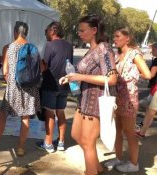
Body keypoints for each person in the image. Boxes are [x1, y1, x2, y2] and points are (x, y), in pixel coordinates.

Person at [59, 14, 117, 174]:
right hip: (84, 101)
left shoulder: (104, 49)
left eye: (82, 30)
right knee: (77, 135)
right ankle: (97, 167)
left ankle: (90, 171)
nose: (79, 33)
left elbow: (112, 79)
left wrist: (80, 77)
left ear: (94, 30)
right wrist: (71, 77)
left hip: (96, 104)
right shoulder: (91, 49)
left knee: (87, 142)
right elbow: (83, 72)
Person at [0, 21, 41, 156]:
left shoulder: (8, 48)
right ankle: (21, 147)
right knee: (25, 118)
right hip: (29, 87)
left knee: (3, 115)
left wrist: (11, 81)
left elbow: (5, 71)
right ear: (26, 32)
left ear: (15, 32)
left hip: (14, 87)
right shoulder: (32, 47)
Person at [104, 27, 151, 173]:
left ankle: (134, 163)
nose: (114, 39)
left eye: (117, 36)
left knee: (129, 132)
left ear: (127, 38)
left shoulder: (134, 54)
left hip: (129, 98)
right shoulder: (118, 55)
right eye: (114, 36)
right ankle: (118, 157)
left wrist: (133, 77)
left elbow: (148, 74)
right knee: (117, 130)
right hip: (117, 97)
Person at [35, 21, 73, 153]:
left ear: (52, 31)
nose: (45, 35)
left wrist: (38, 63)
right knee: (61, 113)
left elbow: (45, 65)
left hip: (51, 84)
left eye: (46, 32)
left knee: (49, 114)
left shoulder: (50, 45)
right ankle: (61, 142)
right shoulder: (69, 45)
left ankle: (49, 143)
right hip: (64, 84)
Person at [136, 43, 157, 138]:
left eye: (153, 49)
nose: (151, 51)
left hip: (156, 89)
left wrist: (138, 74)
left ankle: (141, 132)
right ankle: (140, 128)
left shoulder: (156, 61)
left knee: (150, 111)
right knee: (149, 110)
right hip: (154, 89)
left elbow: (151, 75)